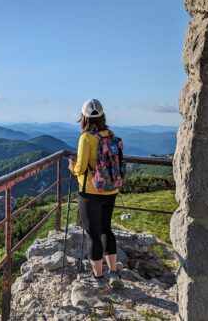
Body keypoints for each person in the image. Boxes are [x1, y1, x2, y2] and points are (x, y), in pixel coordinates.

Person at [68, 98, 124, 289]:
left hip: (90, 191)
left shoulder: (86, 138)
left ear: (83, 117)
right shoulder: (111, 135)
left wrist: (72, 167)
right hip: (111, 189)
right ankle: (113, 272)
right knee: (107, 230)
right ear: (102, 116)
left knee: (93, 234)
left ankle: (98, 277)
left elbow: (81, 168)